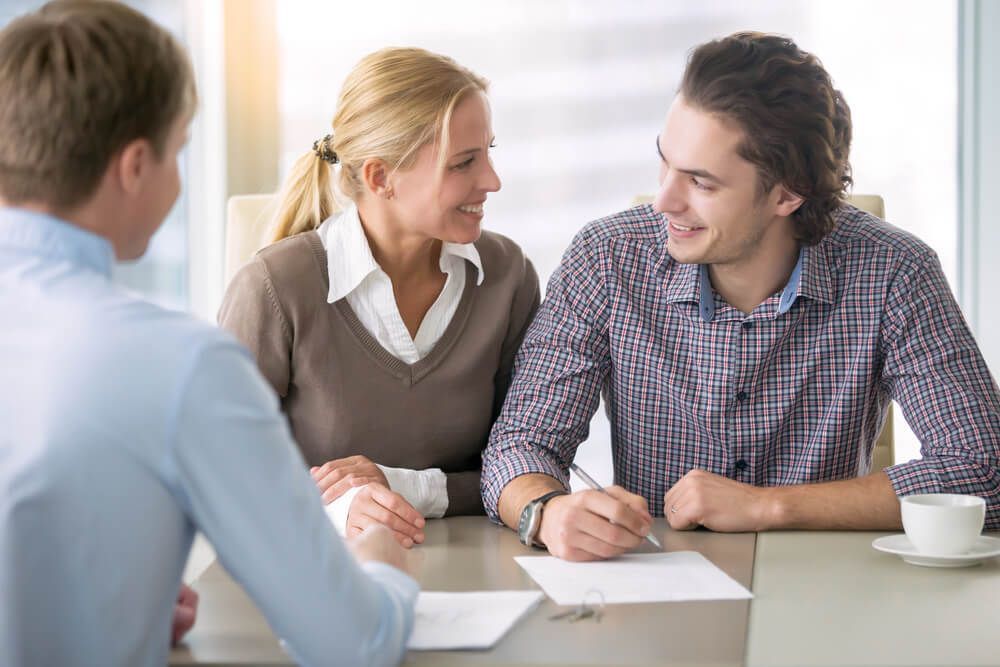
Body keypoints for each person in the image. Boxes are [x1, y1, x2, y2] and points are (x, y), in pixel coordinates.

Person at [0, 3, 417, 665]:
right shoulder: (180, 366)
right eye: (181, 149)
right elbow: (352, 643)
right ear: (135, 166)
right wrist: (382, 564)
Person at [482, 31, 1000, 562]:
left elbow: (983, 469)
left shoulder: (895, 272)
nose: (664, 200)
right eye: (665, 162)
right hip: (654, 581)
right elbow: (520, 441)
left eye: (701, 183)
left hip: (827, 589)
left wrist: (768, 507)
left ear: (787, 193)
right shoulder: (605, 258)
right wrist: (544, 511)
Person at [218, 47, 539, 547]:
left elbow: (526, 465)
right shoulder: (274, 290)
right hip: (316, 574)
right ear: (380, 177)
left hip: (482, 575)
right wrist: (337, 507)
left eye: (489, 152)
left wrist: (400, 486)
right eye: (464, 163)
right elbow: (221, 481)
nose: (492, 180)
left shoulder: (507, 277)